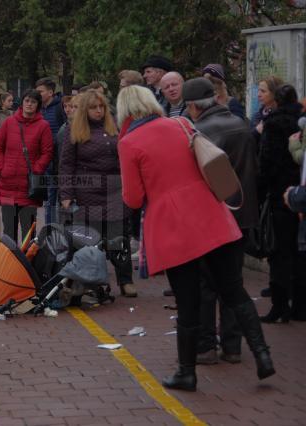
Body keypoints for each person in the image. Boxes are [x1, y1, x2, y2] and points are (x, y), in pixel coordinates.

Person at [116, 84, 275, 392]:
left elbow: (133, 199)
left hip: (174, 228)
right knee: (233, 290)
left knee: (188, 302)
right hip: (212, 215)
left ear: (124, 110)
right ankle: (262, 355)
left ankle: (186, 372)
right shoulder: (182, 123)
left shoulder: (129, 143)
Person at [183, 77, 259, 364]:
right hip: (242, 215)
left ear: (192, 105)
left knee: (206, 285)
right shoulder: (241, 124)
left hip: (213, 218)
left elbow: (199, 179)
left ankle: (205, 346)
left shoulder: (199, 131)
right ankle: (233, 345)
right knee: (233, 283)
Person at [59, 90, 136, 297]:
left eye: (101, 107)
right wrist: (66, 194)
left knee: (119, 236)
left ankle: (125, 279)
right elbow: (66, 165)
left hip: (114, 190)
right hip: (87, 192)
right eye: (94, 107)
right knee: (88, 239)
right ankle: (84, 278)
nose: (99, 111)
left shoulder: (114, 127)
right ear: (85, 109)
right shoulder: (73, 130)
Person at [258, 84, 306, 323]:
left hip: (280, 194)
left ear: (275, 100)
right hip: (301, 192)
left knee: (279, 252)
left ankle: (279, 306)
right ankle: (300, 305)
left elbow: (266, 162)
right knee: (300, 251)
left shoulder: (273, 124)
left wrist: (261, 191)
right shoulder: (301, 122)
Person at [0, 89, 53, 243]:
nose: (29, 104)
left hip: (29, 188)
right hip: (8, 184)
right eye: (27, 101)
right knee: (8, 232)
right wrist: (0, 167)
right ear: (22, 103)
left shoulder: (43, 126)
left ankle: (27, 265)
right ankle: (10, 264)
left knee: (28, 232)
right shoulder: (9, 122)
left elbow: (47, 152)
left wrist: (36, 170)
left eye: (33, 102)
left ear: (38, 105)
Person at [251, 75, 284, 299]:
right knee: (269, 234)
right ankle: (275, 281)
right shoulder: (259, 115)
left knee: (278, 238)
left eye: (263, 91)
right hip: (262, 183)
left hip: (276, 184)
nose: (259, 95)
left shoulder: (279, 118)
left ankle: (280, 285)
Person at [36, 77, 66, 225]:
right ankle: (49, 231)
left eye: (40, 91)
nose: (38, 94)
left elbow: (65, 132)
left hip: (59, 162)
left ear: (50, 92)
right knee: (49, 198)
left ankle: (59, 230)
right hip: (45, 161)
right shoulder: (38, 108)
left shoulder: (60, 107)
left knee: (60, 198)